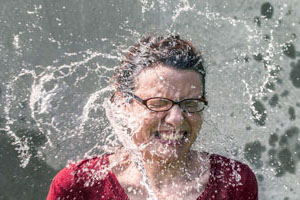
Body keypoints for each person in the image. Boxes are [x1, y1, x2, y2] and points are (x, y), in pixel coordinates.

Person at [47, 35, 258, 200]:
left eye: (190, 104)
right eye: (158, 103)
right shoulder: (78, 185)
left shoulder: (234, 181)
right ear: (123, 104)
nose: (176, 119)